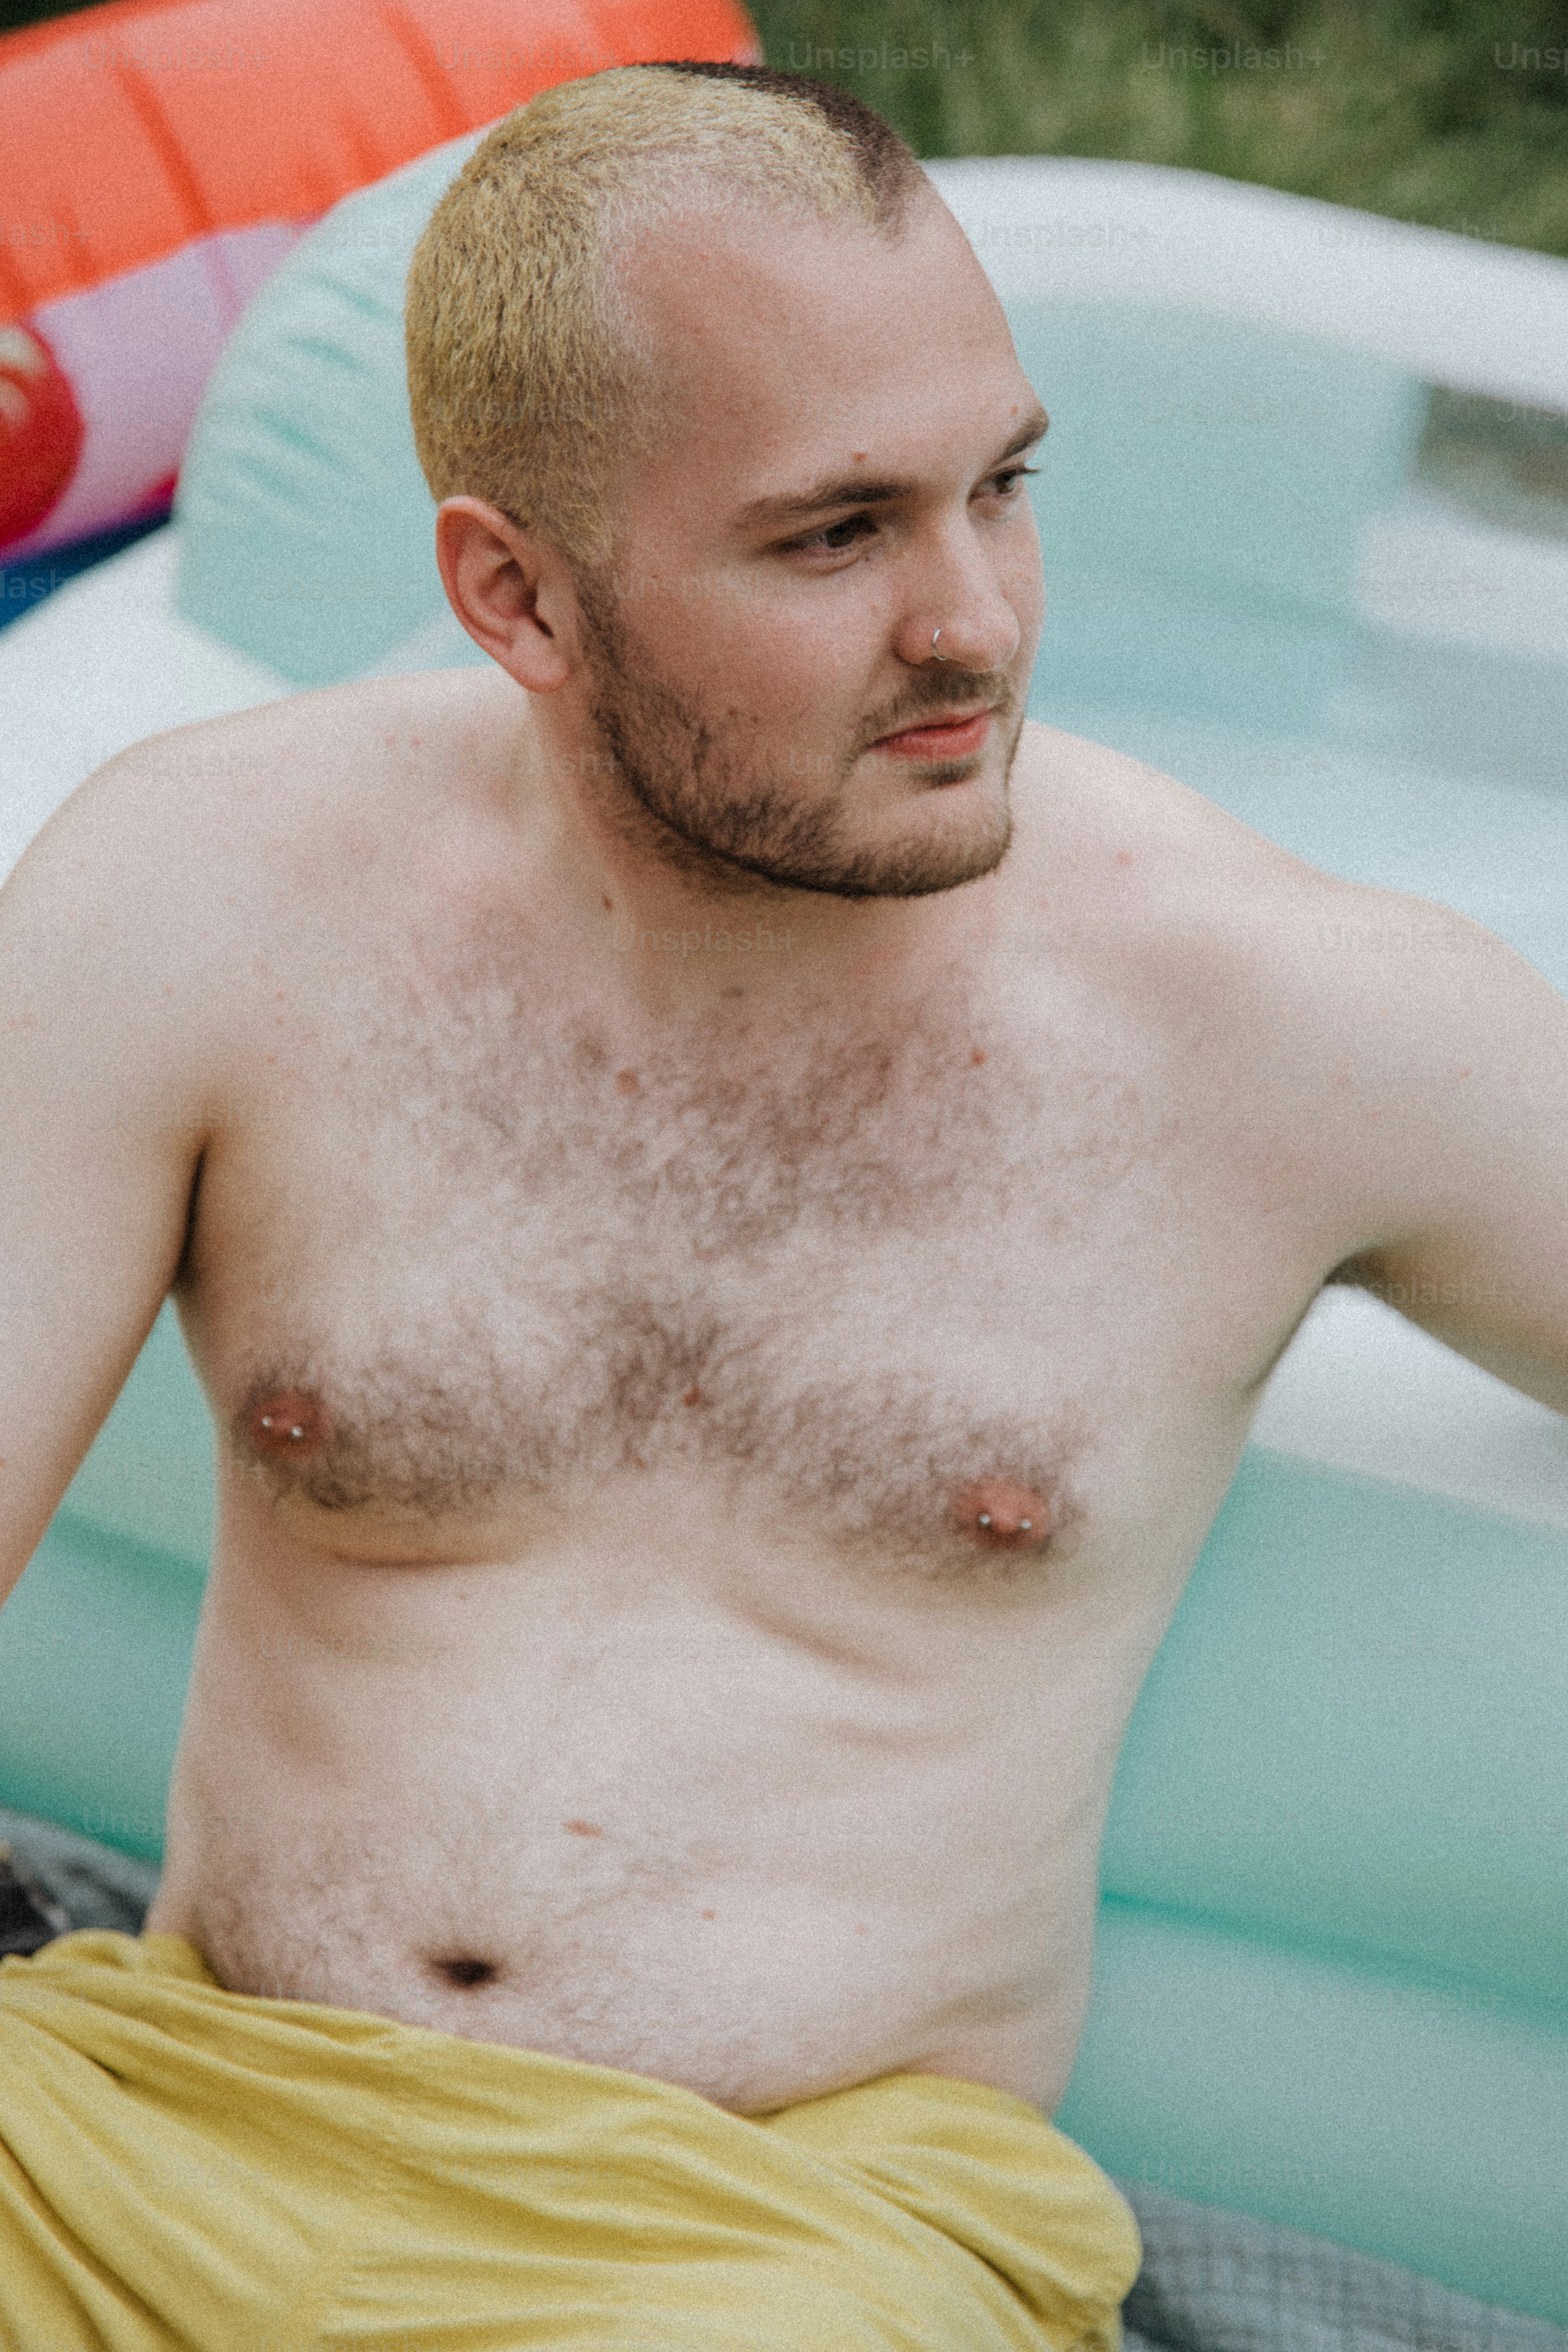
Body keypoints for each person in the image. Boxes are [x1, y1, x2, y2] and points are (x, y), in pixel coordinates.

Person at [0, 58, 1564, 2352]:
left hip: (773, 2240)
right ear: (511, 597)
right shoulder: (212, 889)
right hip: (142, 2112)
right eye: (833, 536)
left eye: (999, 490)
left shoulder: (1289, 1023)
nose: (973, 624)